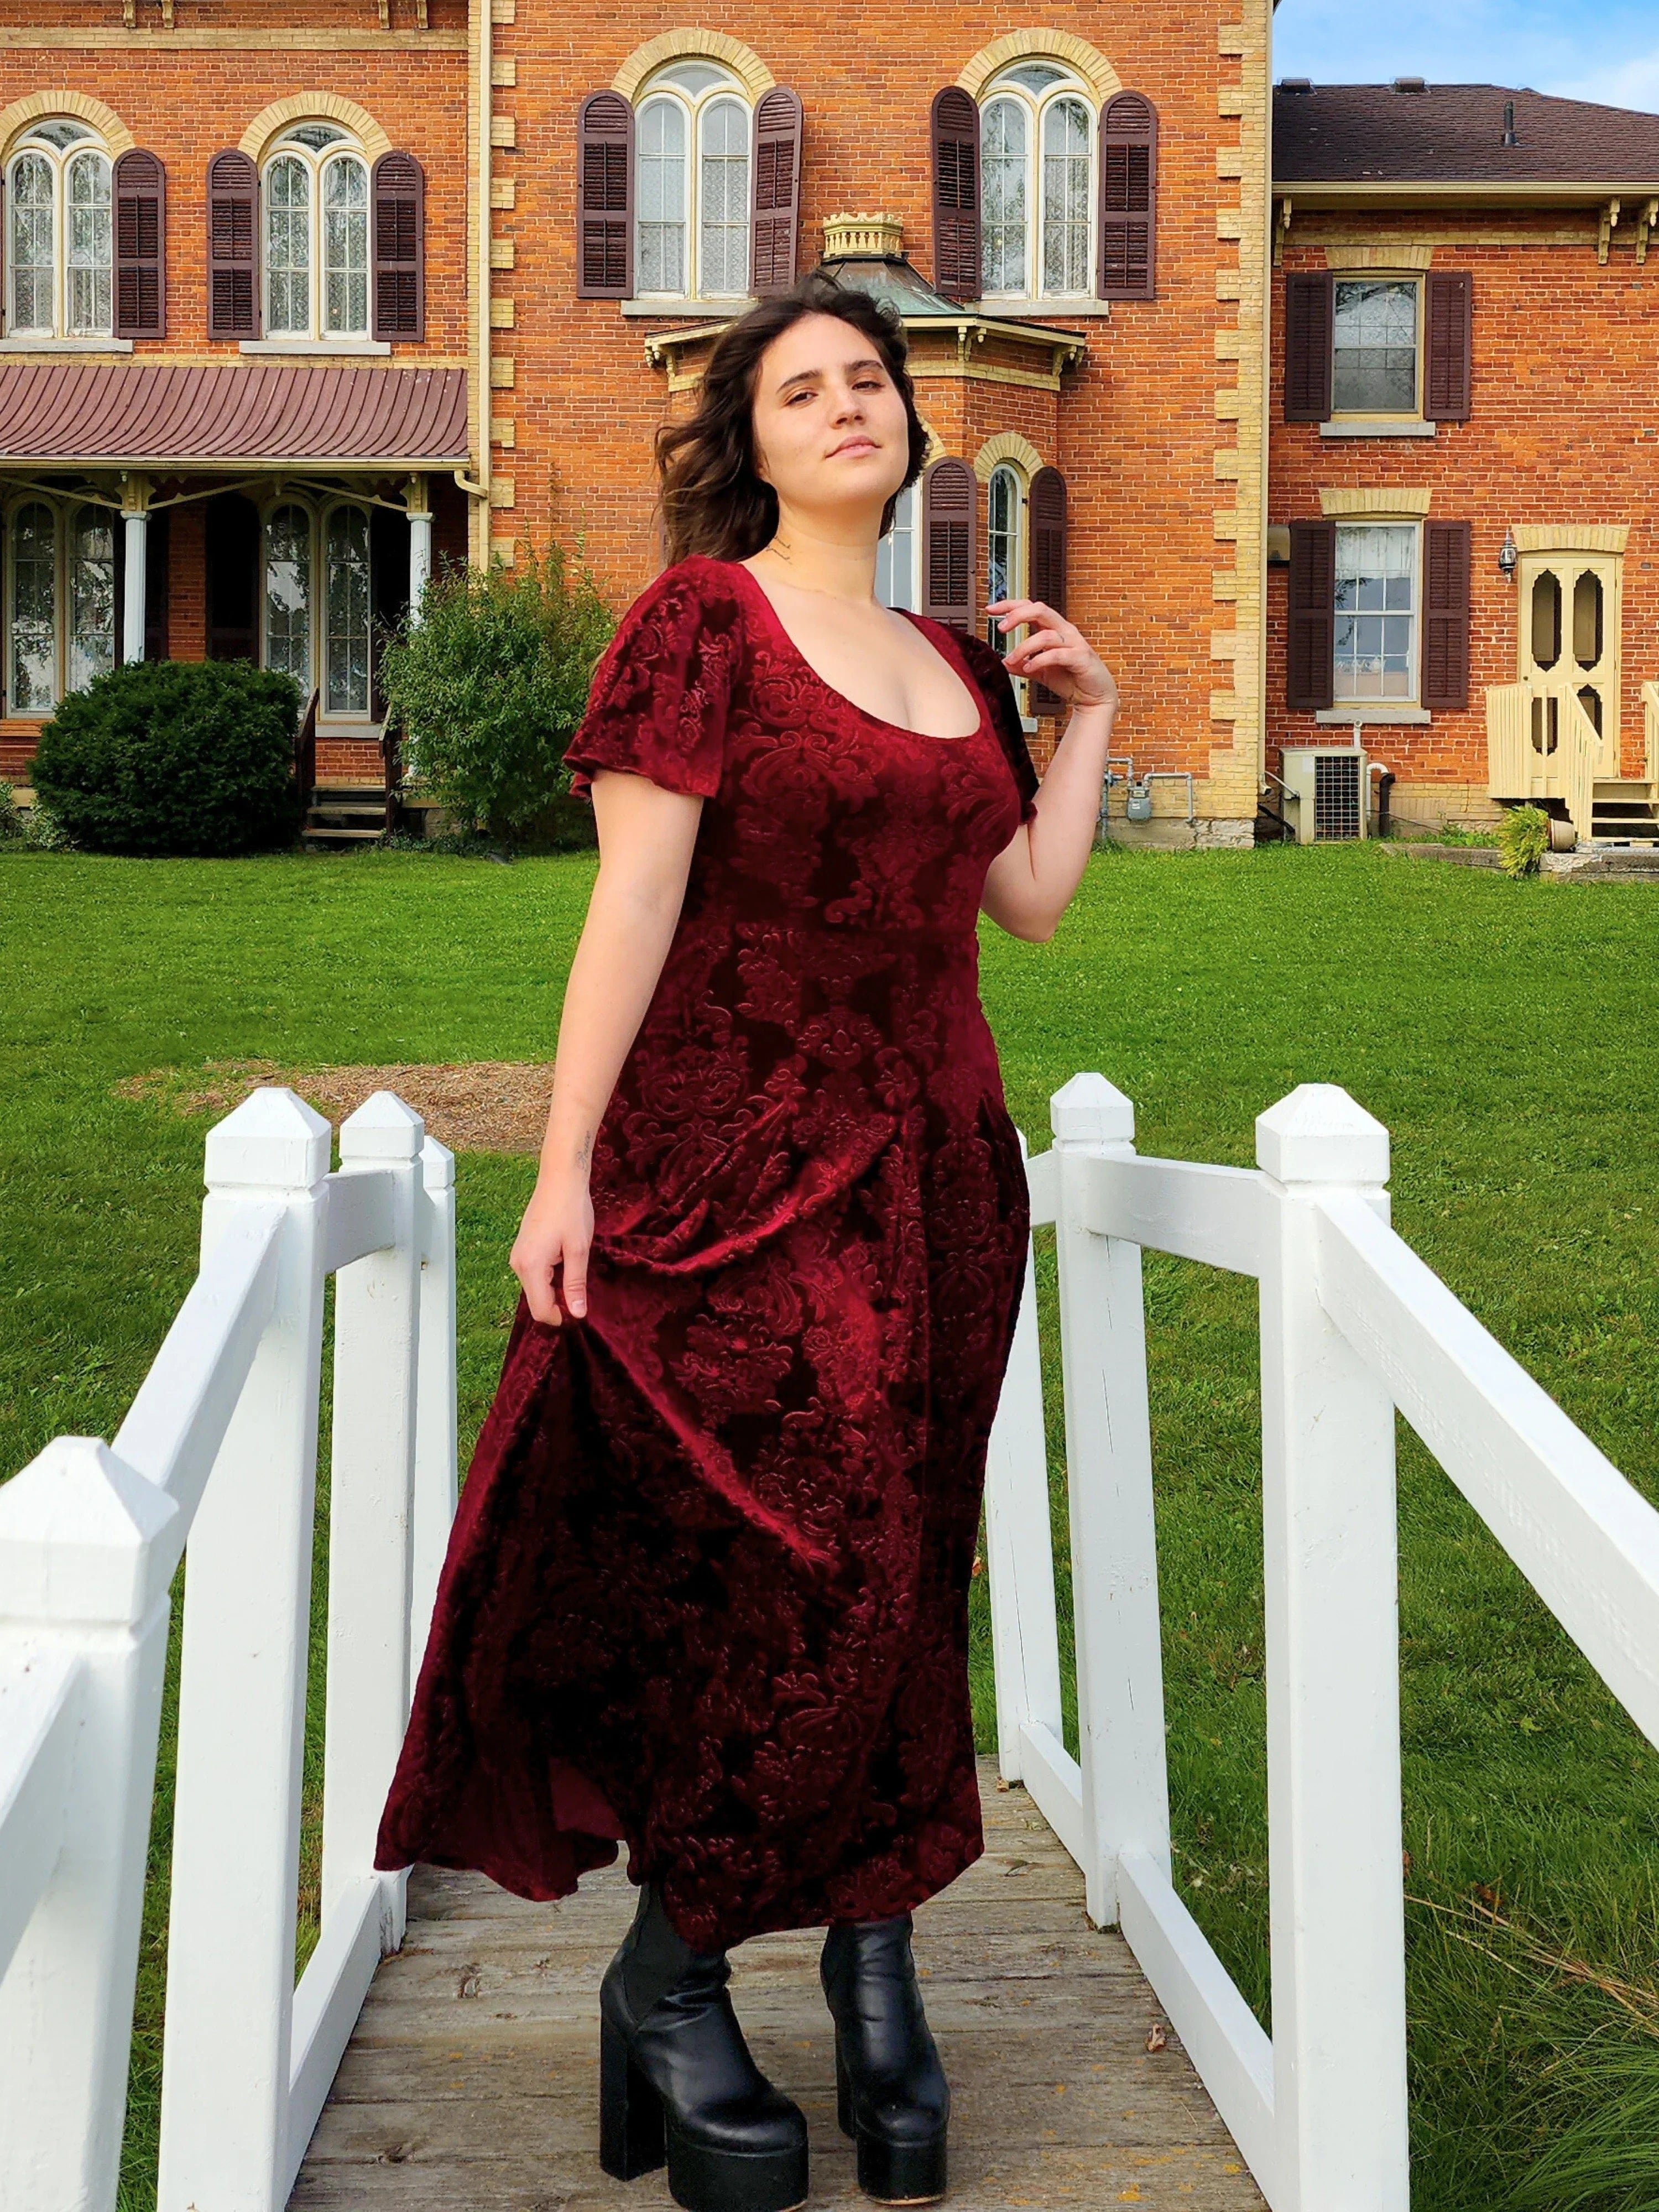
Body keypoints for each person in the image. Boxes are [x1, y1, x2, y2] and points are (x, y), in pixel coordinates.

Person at [374, 266, 1118, 2212]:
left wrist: (1091, 713)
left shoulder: (963, 658)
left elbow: (1026, 900)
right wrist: (563, 1171)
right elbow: (627, 912)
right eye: (802, 389)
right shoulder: (702, 620)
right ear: (751, 444)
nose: (848, 404)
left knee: (912, 1552)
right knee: (806, 1558)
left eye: (868, 379)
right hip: (736, 1163)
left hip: (946, 1172)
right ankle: (674, 1966)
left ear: (908, 425)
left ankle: (879, 1963)